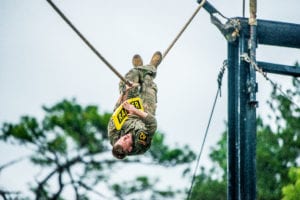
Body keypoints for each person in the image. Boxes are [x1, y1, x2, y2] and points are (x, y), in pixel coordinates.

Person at [107, 51, 162, 159]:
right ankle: (150, 68)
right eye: (126, 141)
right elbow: (152, 124)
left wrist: (125, 91)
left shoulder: (113, 136)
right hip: (145, 114)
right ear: (129, 149)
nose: (125, 137)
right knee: (148, 82)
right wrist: (135, 110)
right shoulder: (141, 143)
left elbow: (117, 109)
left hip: (128, 108)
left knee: (127, 80)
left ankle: (140, 69)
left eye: (122, 139)